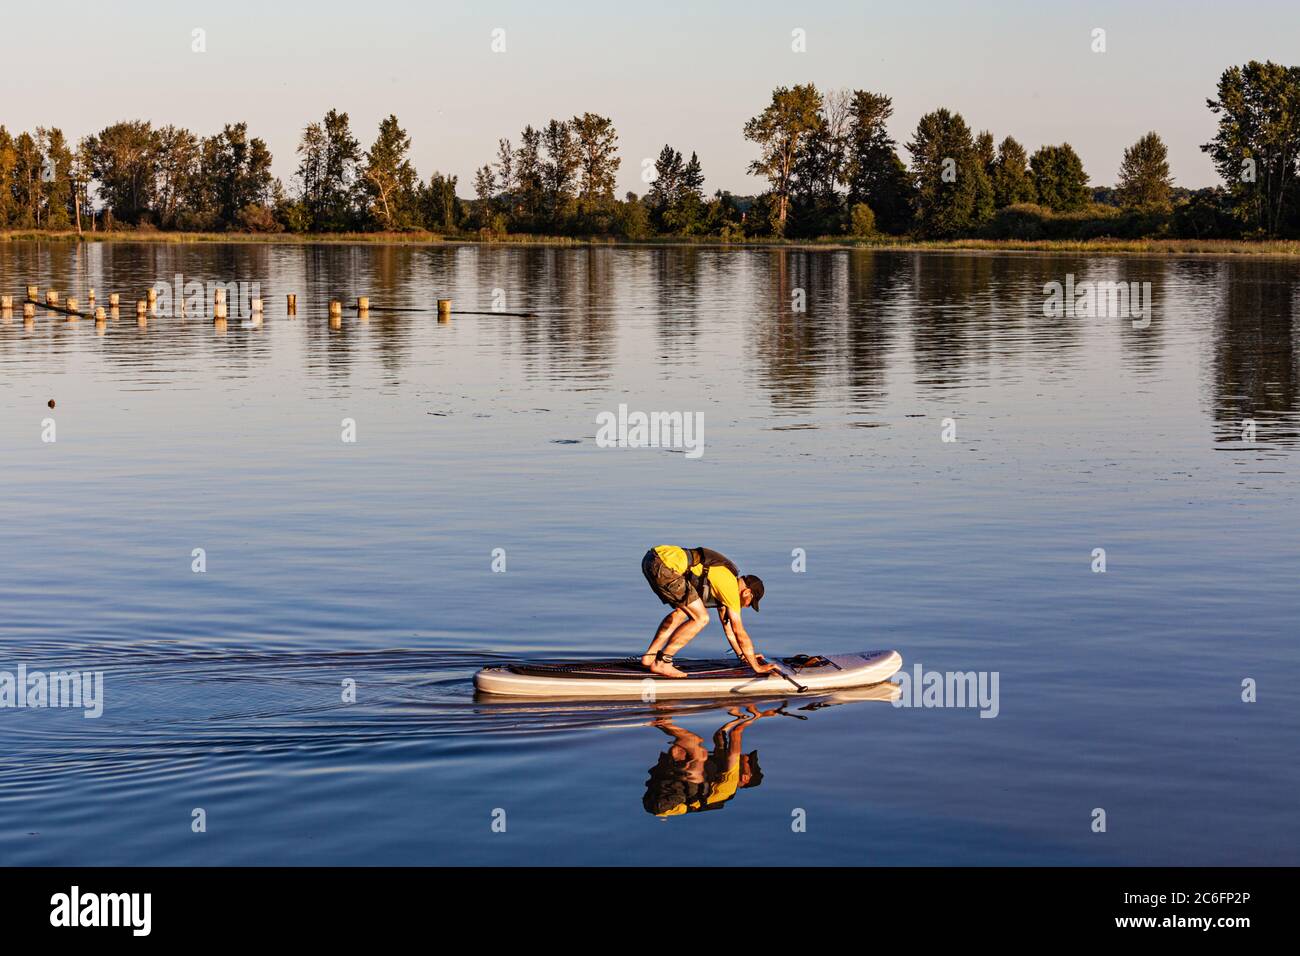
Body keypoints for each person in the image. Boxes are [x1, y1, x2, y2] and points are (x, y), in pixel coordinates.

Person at [640, 545, 771, 678]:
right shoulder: (730, 588)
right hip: (666, 566)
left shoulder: (724, 587)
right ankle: (663, 662)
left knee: (681, 613)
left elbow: (729, 630)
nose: (747, 606)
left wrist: (745, 657)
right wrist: (757, 667)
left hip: (652, 559)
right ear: (747, 592)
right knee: (701, 618)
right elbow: (739, 632)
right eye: (751, 603)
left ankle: (650, 656)